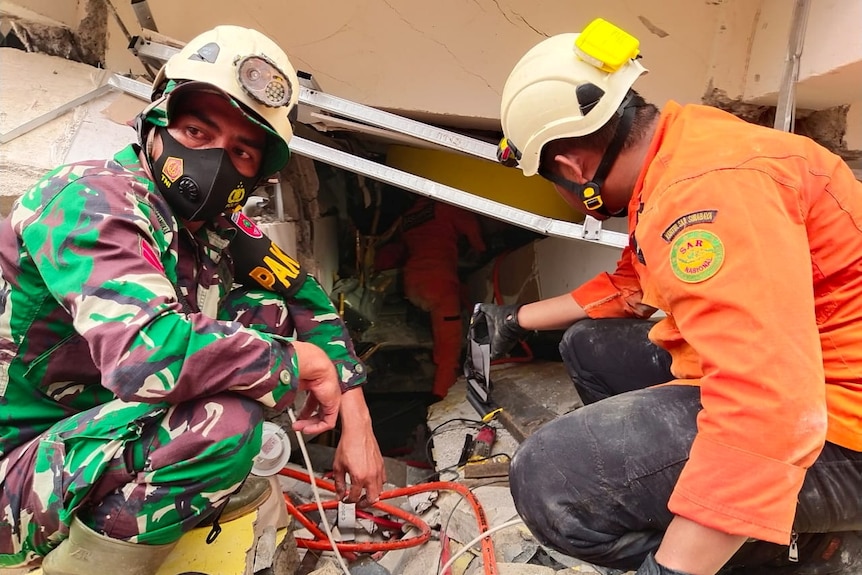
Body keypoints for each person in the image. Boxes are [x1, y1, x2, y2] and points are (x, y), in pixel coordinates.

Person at [474, 17, 862, 575]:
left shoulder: (703, 192)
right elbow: (630, 286)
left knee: (553, 480)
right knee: (587, 345)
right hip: (803, 378)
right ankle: (721, 524)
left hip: (837, 427)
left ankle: (783, 555)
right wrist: (516, 319)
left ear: (570, 167)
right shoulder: (680, 151)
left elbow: (769, 406)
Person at [0, 25, 384, 573]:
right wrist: (304, 362)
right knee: (222, 419)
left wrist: (358, 421)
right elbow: (147, 354)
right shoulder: (90, 201)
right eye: (196, 131)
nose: (213, 159)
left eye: (242, 151)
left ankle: (156, 493)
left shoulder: (216, 227)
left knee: (266, 315)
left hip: (89, 426)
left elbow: (303, 293)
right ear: (156, 122)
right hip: (14, 470)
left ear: (257, 174)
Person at [400, 196, 486, 400]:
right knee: (449, 350)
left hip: (412, 282)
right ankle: (440, 398)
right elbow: (474, 234)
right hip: (438, 283)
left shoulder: (408, 216)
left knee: (456, 303)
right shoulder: (444, 206)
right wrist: (481, 248)